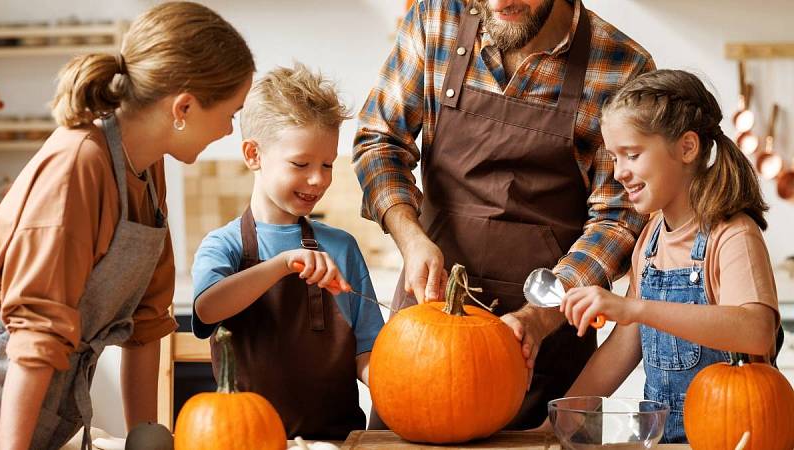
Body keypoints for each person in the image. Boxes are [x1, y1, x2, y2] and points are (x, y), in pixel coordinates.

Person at [353, 0, 654, 427]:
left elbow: (619, 218)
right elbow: (379, 141)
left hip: (543, 347)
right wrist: (411, 238)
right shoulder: (436, 18)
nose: (499, 3)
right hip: (425, 333)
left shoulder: (621, 67)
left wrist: (540, 317)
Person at [0, 3, 254, 449]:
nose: (230, 130)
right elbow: (35, 339)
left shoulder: (147, 170)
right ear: (184, 107)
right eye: (231, 113)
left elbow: (147, 322)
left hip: (45, 410)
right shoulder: (80, 162)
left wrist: (143, 437)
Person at [558, 69, 780, 443]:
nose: (620, 173)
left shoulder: (733, 234)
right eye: (615, 157)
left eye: (632, 154)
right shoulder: (651, 240)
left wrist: (635, 309)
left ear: (687, 148)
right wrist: (562, 418)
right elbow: (622, 347)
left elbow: (756, 331)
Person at [191, 63, 385, 440]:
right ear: (253, 155)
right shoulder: (223, 245)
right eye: (301, 164)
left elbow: (369, 352)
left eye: (327, 164)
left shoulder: (341, 247)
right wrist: (281, 265)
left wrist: (402, 395)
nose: (318, 178)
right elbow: (206, 308)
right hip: (246, 444)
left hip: (336, 443)